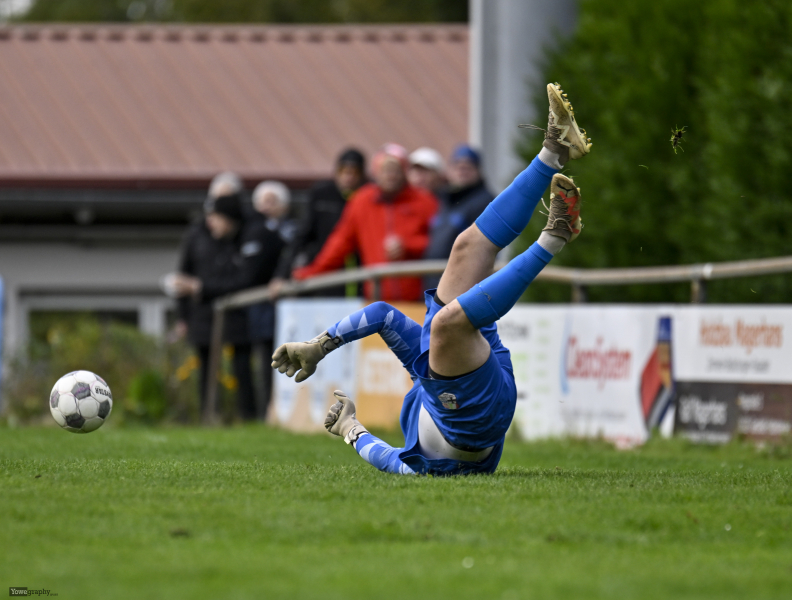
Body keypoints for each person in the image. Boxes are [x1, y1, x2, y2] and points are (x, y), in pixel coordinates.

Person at [272, 83, 592, 475]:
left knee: (465, 249)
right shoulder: (427, 466)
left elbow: (382, 316)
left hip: (475, 381)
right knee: (444, 325)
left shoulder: (425, 373)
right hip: (472, 425)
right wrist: (350, 430)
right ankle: (554, 237)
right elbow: (391, 461)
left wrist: (320, 348)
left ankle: (554, 150)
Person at [173, 173, 282, 421]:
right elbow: (184, 274)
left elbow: (244, 280)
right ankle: (209, 415)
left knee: (244, 367)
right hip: (204, 315)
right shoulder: (199, 234)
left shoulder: (251, 235)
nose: (211, 223)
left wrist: (201, 287)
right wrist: (184, 312)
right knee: (207, 369)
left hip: (240, 315)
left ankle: (250, 417)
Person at [292, 144, 437, 302]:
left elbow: (440, 244)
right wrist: (311, 272)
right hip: (376, 299)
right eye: (385, 170)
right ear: (376, 172)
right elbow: (339, 244)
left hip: (419, 299)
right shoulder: (362, 201)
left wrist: (408, 246)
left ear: (404, 172)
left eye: (395, 170)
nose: (390, 176)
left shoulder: (425, 202)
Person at [273, 149, 366, 297]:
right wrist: (281, 275)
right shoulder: (322, 194)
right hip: (325, 273)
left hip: (359, 273)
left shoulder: (368, 198)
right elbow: (302, 235)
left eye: (354, 172)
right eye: (344, 171)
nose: (348, 177)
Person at [422, 144, 495, 290]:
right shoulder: (443, 199)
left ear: (478, 171)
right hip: (433, 280)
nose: (462, 171)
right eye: (458, 166)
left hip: (463, 284)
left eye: (468, 167)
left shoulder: (486, 202)